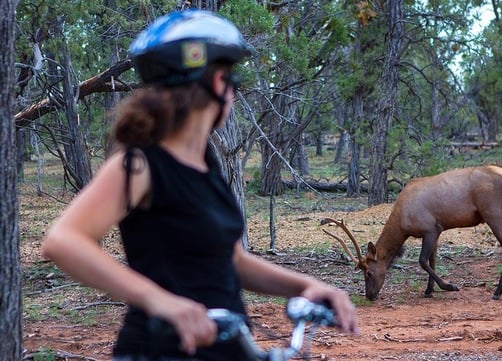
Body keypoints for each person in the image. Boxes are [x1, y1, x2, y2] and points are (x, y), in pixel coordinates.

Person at [42, 9, 358, 361]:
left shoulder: (205, 165)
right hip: (161, 351)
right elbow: (63, 241)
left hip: (229, 349)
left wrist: (305, 285)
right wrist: (162, 302)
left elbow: (232, 259)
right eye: (233, 83)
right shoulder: (142, 164)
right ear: (218, 83)